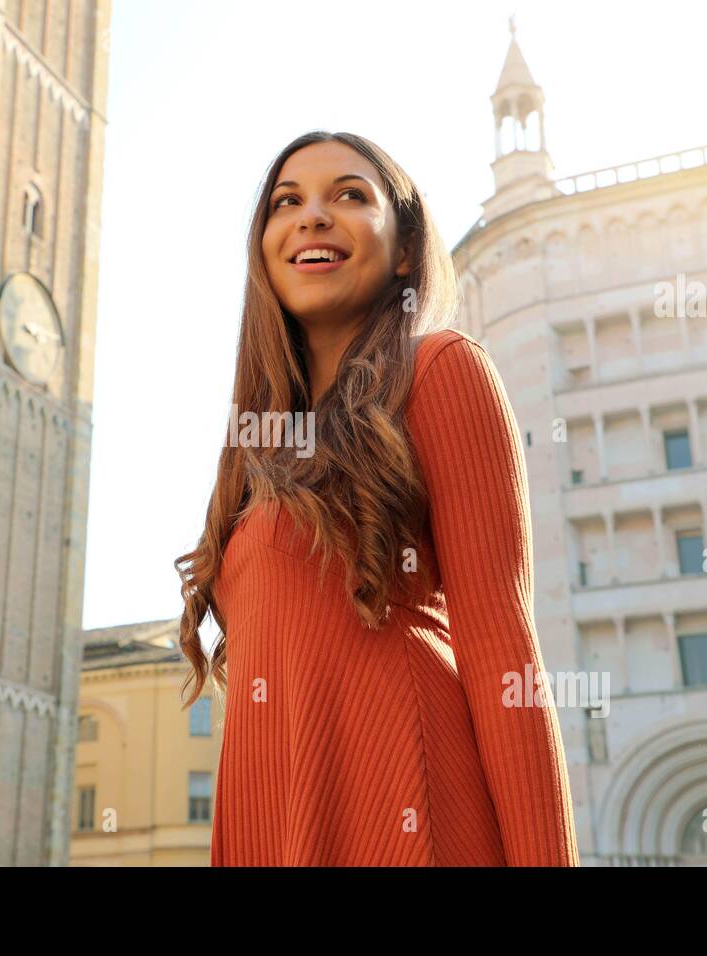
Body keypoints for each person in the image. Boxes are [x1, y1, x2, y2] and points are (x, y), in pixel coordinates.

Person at [174, 130, 579, 866]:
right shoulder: (257, 447)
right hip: (275, 831)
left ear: (402, 251)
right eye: (286, 202)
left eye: (350, 195)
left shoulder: (442, 371)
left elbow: (503, 652)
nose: (312, 216)